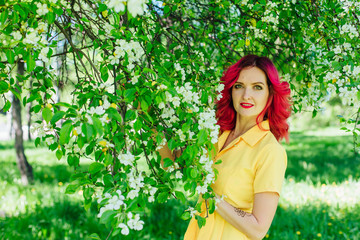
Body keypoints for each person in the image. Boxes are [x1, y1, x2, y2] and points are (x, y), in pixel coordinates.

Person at [157, 54, 291, 239]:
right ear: (230, 91)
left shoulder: (270, 151)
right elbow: (172, 162)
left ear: (270, 94)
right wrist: (150, 123)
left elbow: (258, 229)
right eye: (239, 86)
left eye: (257, 87)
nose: (246, 95)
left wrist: (210, 196)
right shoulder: (215, 135)